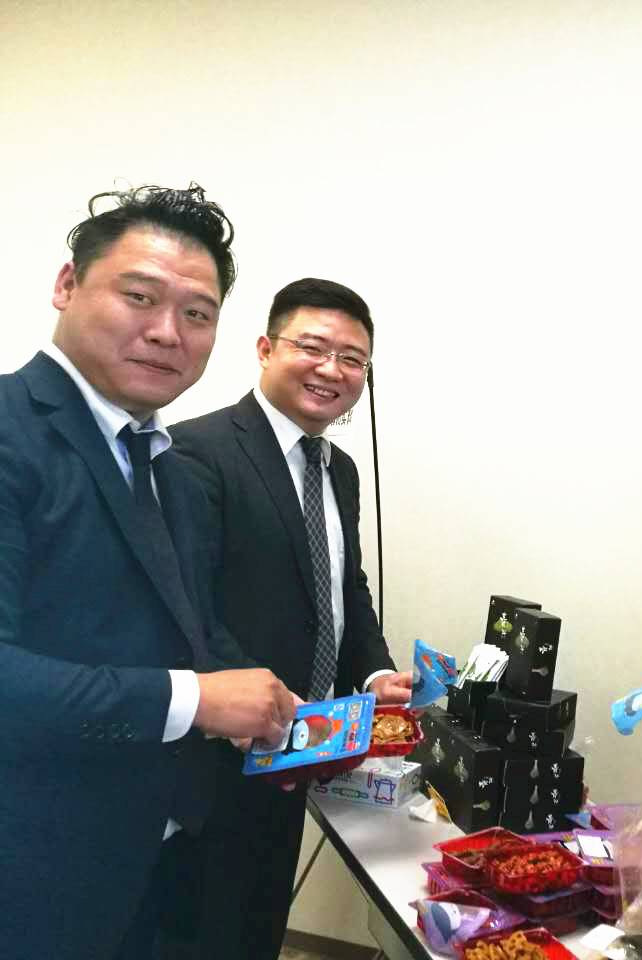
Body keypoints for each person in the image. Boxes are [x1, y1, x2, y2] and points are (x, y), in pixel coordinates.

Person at [0, 184, 297, 959]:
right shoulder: (10, 432)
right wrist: (196, 699)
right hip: (27, 870)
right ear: (67, 285)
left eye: (197, 314)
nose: (167, 333)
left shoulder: (165, 463)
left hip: (144, 858)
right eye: (139, 297)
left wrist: (275, 710)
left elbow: (186, 624)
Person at [170, 278, 410, 960]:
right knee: (202, 931)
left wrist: (377, 674)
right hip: (216, 755)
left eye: (353, 358)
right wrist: (263, 704)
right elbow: (187, 607)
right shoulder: (196, 451)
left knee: (262, 921)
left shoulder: (340, 470)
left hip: (305, 746)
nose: (332, 369)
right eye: (313, 347)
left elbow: (344, 587)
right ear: (265, 348)